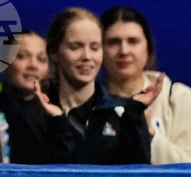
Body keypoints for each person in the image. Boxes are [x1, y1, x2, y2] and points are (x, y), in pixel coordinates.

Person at [35, 7, 154, 165]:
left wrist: (137, 123)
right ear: (54, 52)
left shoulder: (120, 114)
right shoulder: (35, 113)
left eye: (95, 47)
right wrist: (57, 123)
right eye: (75, 47)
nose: (87, 56)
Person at [101, 6, 191, 165]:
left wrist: (148, 133)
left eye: (133, 41)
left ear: (148, 46)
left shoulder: (177, 97)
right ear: (99, 49)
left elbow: (190, 168)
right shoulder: (88, 99)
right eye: (113, 42)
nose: (124, 51)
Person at [0, 31, 51, 164]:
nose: (33, 65)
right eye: (22, 56)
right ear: (3, 64)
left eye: (41, 59)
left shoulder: (56, 114)